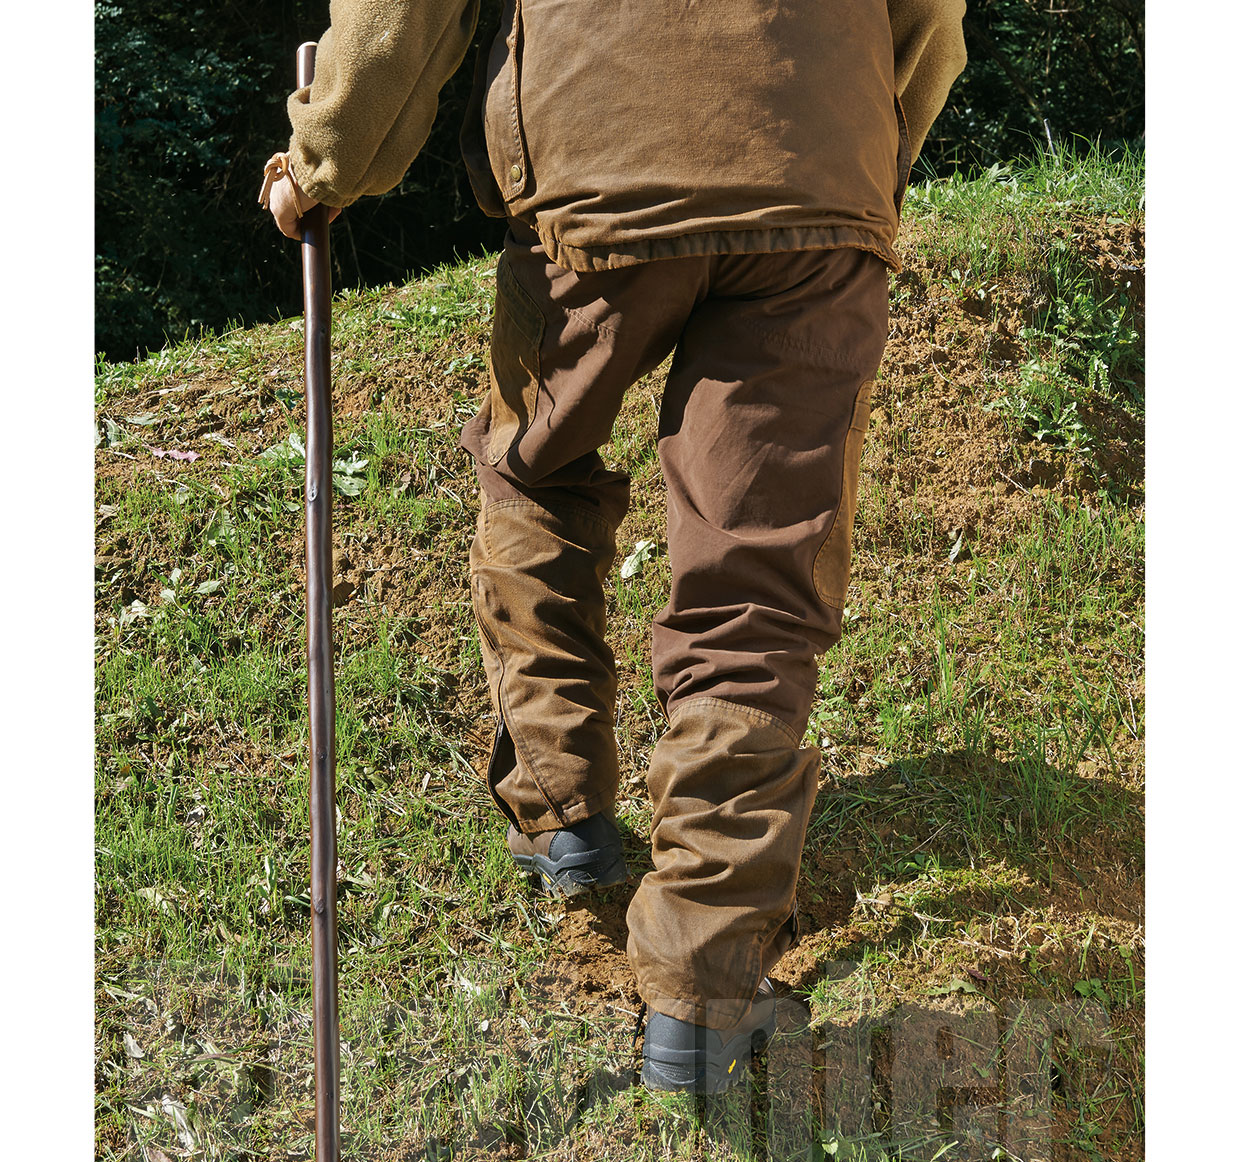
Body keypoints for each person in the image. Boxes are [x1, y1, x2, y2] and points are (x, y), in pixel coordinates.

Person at [265, 0, 968, 1094]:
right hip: (819, 166)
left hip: (599, 163)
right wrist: (860, 159)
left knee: (536, 471)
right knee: (756, 586)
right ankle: (702, 996)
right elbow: (928, 17)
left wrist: (325, 163)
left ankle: (564, 815)